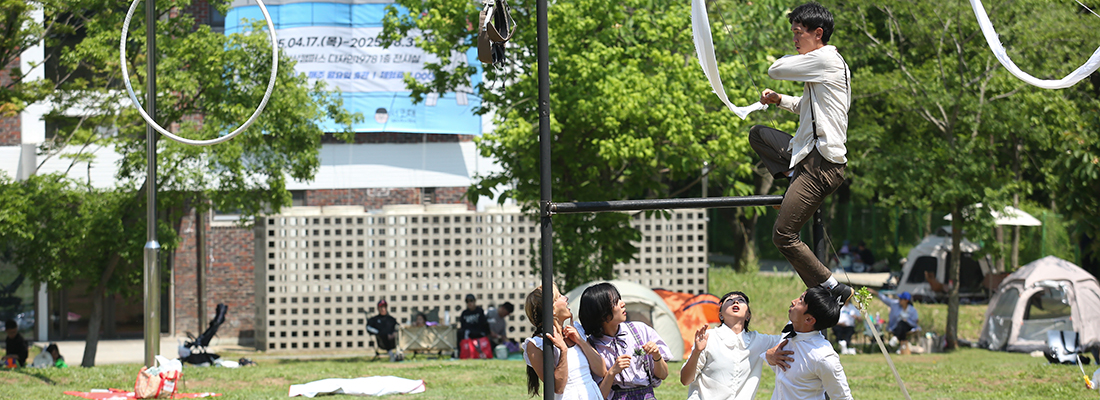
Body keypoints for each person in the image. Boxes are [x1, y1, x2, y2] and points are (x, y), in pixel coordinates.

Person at [748, 1, 853, 303]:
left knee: (783, 235)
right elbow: (805, 107)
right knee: (759, 134)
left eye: (798, 33)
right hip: (805, 157)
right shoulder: (828, 67)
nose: (794, 39)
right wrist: (780, 100)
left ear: (817, 33)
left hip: (820, 165)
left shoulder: (823, 60)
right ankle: (792, 180)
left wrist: (784, 73)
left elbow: (775, 68)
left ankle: (833, 286)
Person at [680, 291, 784, 400]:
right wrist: (696, 352)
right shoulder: (709, 338)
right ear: (720, 315)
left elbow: (789, 339)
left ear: (748, 315)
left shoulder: (758, 341)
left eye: (741, 301)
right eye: (729, 301)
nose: (735, 301)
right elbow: (685, 380)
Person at [579, 282, 671, 400]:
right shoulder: (591, 348)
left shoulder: (641, 330)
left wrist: (657, 355)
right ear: (603, 315)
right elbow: (598, 396)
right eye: (615, 302)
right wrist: (612, 372)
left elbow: (663, 375)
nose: (623, 304)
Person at [764, 286, 852, 399]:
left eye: (801, 300)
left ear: (809, 320)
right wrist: (770, 358)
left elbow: (842, 397)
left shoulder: (823, 356)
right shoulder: (792, 328)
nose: (793, 301)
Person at [523, 285, 605, 399]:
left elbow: (601, 371)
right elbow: (558, 388)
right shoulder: (536, 345)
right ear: (552, 309)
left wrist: (581, 342)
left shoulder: (575, 330)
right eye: (560, 296)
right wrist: (563, 350)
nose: (566, 298)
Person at [870, 289, 919, 355]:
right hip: (896, 327)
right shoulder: (895, 304)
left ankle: (896, 339)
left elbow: (915, 321)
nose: (899, 300)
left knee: (903, 323)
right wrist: (875, 293)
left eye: (901, 299)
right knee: (901, 324)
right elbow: (885, 299)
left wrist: (907, 320)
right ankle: (901, 346)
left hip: (909, 326)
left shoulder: (912, 310)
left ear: (906, 300)